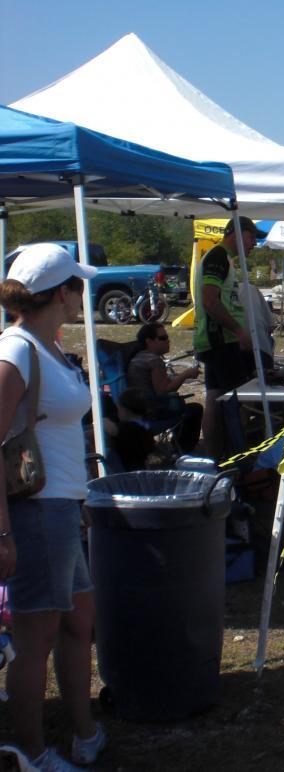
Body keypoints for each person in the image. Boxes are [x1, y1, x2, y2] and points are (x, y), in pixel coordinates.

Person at [0, 243, 107, 770]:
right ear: (61, 293)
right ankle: (30, 751)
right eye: (77, 287)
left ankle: (82, 730)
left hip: (63, 507)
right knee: (35, 636)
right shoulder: (16, 351)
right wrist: (3, 532)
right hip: (37, 512)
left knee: (77, 622)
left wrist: (80, 495)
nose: (81, 297)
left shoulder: (48, 348)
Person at [194, 216, 265, 457]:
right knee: (238, 398)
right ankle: (235, 455)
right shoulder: (217, 257)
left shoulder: (225, 260)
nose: (254, 244)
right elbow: (209, 299)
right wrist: (237, 330)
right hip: (220, 340)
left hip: (218, 340)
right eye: (251, 237)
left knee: (214, 397)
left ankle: (216, 455)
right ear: (235, 233)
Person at [127, 323, 203, 452]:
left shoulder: (138, 357)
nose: (168, 341)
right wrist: (186, 374)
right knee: (195, 409)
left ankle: (176, 446)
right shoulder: (154, 361)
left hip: (138, 411)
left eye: (167, 337)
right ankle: (184, 450)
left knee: (180, 405)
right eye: (162, 338)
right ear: (149, 341)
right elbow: (163, 391)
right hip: (153, 413)